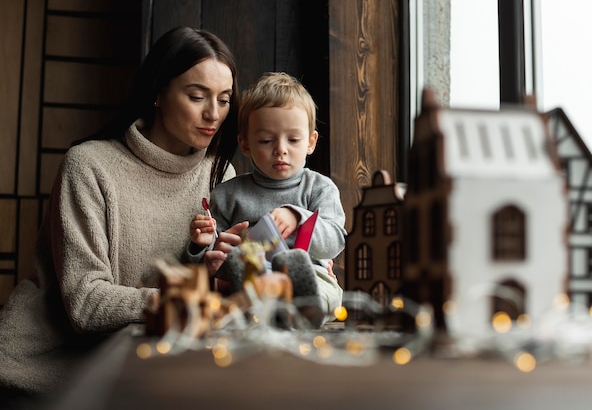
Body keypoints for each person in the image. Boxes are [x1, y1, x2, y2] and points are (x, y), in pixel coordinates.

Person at [0, 26, 246, 405]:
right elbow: (84, 302)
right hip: (45, 371)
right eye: (197, 96)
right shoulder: (89, 166)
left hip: (147, 367)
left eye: (224, 99)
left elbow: (214, 290)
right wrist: (184, 301)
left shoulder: (220, 177)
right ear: (158, 94)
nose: (214, 113)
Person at [188, 72, 347, 327]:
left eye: (293, 140)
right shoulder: (228, 195)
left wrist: (297, 216)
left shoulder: (319, 188)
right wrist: (201, 245)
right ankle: (271, 311)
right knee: (233, 289)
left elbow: (335, 242)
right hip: (252, 278)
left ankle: (298, 309)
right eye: (266, 140)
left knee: (323, 291)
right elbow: (211, 261)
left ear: (311, 141)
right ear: (246, 144)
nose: (281, 149)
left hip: (309, 275)